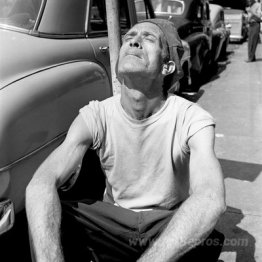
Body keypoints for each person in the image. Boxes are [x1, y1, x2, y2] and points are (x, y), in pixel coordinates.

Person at [26, 19, 226, 262]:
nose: (134, 41)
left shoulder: (192, 118)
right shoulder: (95, 114)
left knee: (203, 233)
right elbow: (41, 183)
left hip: (165, 224)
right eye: (130, 37)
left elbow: (210, 198)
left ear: (167, 66)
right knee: (49, 216)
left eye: (149, 39)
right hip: (112, 223)